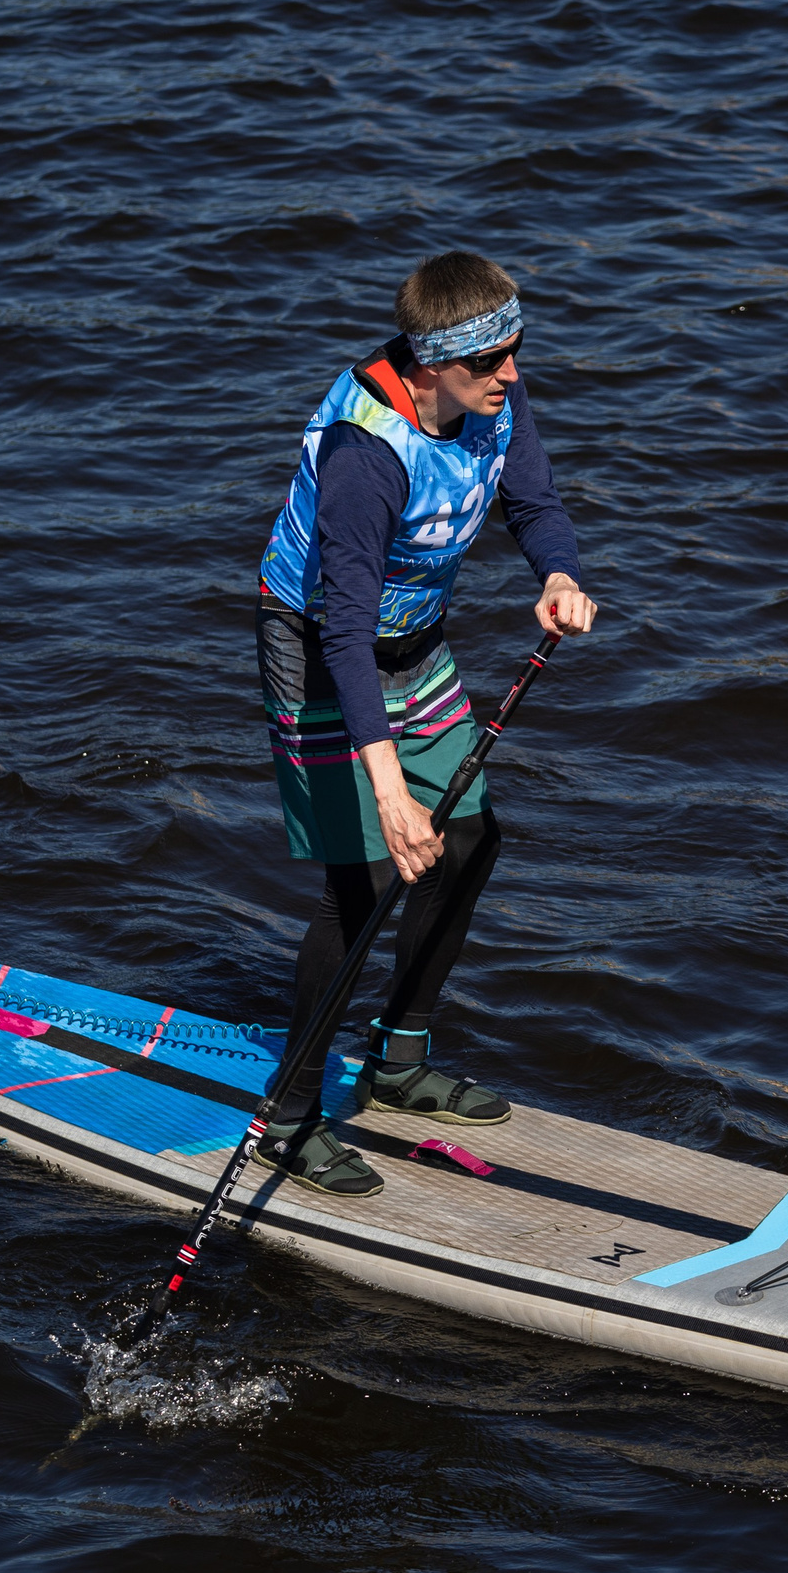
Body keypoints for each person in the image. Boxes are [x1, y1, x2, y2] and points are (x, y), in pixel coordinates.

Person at [253, 252, 596, 1197]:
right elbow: (347, 628)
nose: (512, 376)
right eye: (491, 363)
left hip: (414, 639)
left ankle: (397, 1060)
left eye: (516, 353)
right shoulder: (365, 459)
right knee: (365, 878)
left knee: (472, 840)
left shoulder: (494, 400)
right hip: (323, 647)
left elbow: (535, 503)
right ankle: (287, 1116)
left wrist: (557, 575)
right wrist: (391, 788)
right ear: (432, 363)